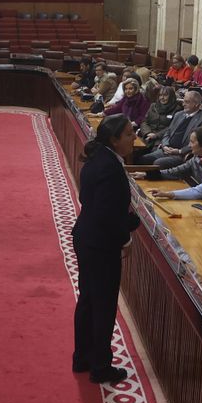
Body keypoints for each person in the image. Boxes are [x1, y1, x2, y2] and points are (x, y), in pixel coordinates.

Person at [72, 115, 140, 386]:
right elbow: (107, 215)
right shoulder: (110, 167)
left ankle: (82, 358)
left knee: (88, 300)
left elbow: (92, 202)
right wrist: (127, 233)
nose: (134, 137)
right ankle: (100, 367)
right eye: (129, 134)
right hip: (101, 245)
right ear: (114, 139)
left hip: (87, 237)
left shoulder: (98, 158)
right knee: (103, 306)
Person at [141, 90, 202, 167]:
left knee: (158, 163)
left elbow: (197, 143)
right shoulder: (179, 114)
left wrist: (180, 151)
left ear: (196, 104)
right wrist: (165, 145)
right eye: (183, 101)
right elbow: (168, 132)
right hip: (167, 149)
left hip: (182, 154)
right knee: (144, 159)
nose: (183, 104)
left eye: (187, 102)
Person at [138, 124, 202, 187]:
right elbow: (173, 172)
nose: (189, 145)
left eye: (192, 142)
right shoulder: (195, 159)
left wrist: (173, 194)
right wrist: (146, 175)